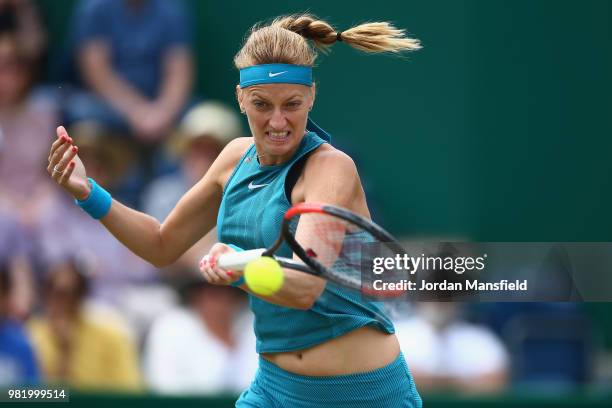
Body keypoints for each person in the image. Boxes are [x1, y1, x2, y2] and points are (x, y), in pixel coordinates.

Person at [46, 14, 422, 407]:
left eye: (292, 104)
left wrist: (240, 263)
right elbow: (161, 244)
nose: (278, 121)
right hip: (275, 389)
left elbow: (305, 285)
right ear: (241, 98)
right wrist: (90, 193)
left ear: (311, 96)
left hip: (364, 395)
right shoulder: (232, 160)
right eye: (262, 104)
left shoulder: (332, 168)